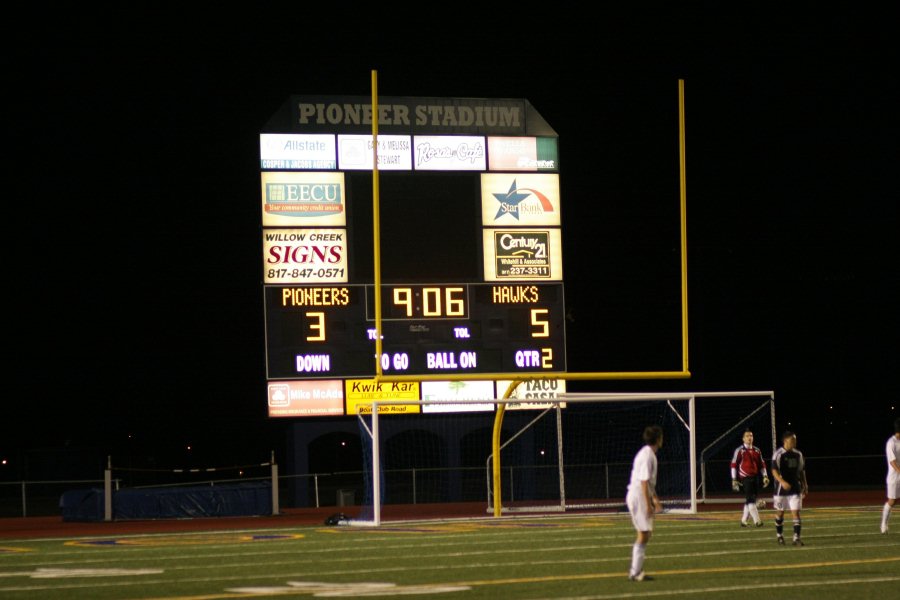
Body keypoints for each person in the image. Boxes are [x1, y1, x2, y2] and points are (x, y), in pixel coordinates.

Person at [626, 425, 664, 581]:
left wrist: (654, 499)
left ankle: (636, 571)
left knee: (646, 534)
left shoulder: (648, 453)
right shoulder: (647, 455)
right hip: (638, 497)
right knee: (644, 534)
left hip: (640, 496)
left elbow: (647, 482)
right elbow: (643, 481)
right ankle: (635, 572)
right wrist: (648, 504)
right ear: (657, 439)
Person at [771, 430, 808, 546]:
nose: (795, 442)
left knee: (796, 513)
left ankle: (796, 538)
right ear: (786, 441)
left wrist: (805, 484)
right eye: (793, 440)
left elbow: (801, 470)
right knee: (780, 513)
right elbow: (774, 471)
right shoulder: (778, 454)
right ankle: (779, 536)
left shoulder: (798, 454)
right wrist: (782, 482)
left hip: (795, 489)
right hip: (781, 491)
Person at [730, 429, 770, 527]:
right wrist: (734, 479)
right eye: (747, 436)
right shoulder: (739, 450)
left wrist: (765, 476)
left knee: (750, 500)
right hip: (745, 478)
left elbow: (762, 465)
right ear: (743, 439)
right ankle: (757, 521)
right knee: (751, 500)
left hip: (755, 477)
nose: (749, 437)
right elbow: (734, 465)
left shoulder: (757, 450)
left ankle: (744, 521)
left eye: (751, 436)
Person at [880, 417, 900, 534]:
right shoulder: (891, 442)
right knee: (892, 501)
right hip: (894, 478)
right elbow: (892, 462)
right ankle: (884, 524)